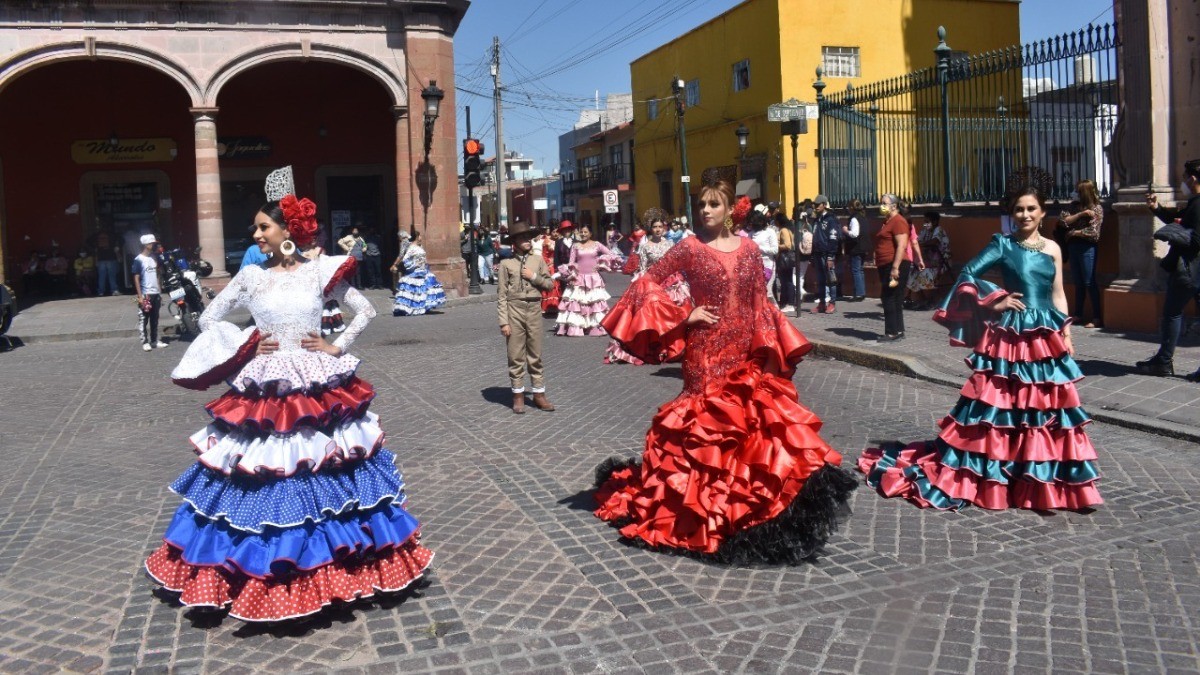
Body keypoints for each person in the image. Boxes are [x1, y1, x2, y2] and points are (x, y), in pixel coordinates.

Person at [147, 188, 432, 623]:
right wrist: (247, 344)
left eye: (264, 227)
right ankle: (265, 569)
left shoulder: (320, 271)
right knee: (267, 467)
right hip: (267, 385)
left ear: (288, 230)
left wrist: (336, 347)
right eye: (256, 228)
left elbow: (365, 311)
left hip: (317, 381)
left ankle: (336, 572)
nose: (256, 234)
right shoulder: (251, 276)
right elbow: (208, 318)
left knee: (324, 467)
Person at [593, 175, 856, 563]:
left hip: (742, 348)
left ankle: (746, 511)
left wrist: (767, 347)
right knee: (705, 425)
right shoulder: (689, 247)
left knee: (749, 424)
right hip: (704, 350)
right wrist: (684, 315)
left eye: (714, 204)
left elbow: (759, 301)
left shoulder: (749, 249)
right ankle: (703, 516)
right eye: (701, 204)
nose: (705, 210)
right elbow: (646, 281)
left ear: (731, 209)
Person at [858, 178, 1103, 511]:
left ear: (1042, 212)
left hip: (1045, 336)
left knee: (1044, 409)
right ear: (1012, 214)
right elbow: (969, 273)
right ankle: (1000, 475)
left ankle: (1039, 479)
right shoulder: (1003, 244)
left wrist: (1066, 333)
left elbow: (1058, 293)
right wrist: (996, 301)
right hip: (1013, 333)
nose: (1025, 215)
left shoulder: (1053, 248)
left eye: (1031, 208)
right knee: (1000, 408)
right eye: (1019, 209)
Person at [1137, 158, 1200, 378]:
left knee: (1172, 313)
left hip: (1189, 269)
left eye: (1184, 177)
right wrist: (1157, 208)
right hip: (1194, 269)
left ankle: (1163, 361)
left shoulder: (1198, 204)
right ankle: (1163, 360)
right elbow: (1178, 220)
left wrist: (1174, 234)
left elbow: (1196, 239)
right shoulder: (1194, 203)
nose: (1183, 182)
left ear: (1193, 179)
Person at [604, 208, 689, 365]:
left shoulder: (670, 244)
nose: (658, 230)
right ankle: (656, 346)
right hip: (653, 283)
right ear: (651, 228)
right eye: (655, 227)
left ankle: (672, 346)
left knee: (675, 312)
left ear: (664, 228)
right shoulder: (645, 247)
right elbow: (643, 268)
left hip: (670, 281)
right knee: (653, 313)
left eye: (660, 227)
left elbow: (675, 263)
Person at [498, 221, 557, 414]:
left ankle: (539, 394)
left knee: (535, 355)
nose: (527, 241)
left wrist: (533, 277)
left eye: (528, 237)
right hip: (514, 310)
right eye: (522, 238)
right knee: (515, 355)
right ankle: (518, 395)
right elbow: (502, 296)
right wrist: (504, 322)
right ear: (514, 242)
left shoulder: (537, 261)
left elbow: (549, 285)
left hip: (534, 309)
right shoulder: (506, 264)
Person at [556, 224, 616, 336]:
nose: (583, 234)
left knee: (594, 303)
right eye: (581, 232)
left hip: (593, 278)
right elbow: (571, 262)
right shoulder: (575, 245)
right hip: (579, 277)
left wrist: (600, 264)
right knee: (578, 303)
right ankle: (578, 327)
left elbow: (611, 254)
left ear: (590, 233)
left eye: (585, 232)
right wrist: (571, 273)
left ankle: (594, 327)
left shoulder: (597, 244)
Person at [1059, 179, 1104, 328]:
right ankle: (1078, 314)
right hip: (1073, 246)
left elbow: (1094, 232)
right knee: (1078, 282)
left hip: (1087, 247)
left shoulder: (1096, 208)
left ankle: (1096, 317)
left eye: (1078, 191)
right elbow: (1063, 221)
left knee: (1089, 282)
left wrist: (1074, 232)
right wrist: (1081, 214)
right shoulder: (1073, 207)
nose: (1075, 193)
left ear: (1084, 193)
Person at [875, 194, 910, 341]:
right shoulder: (888, 221)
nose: (882, 206)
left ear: (894, 206)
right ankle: (899, 330)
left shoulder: (898, 221)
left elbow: (901, 245)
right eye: (881, 203)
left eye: (885, 203)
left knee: (888, 297)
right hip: (886, 264)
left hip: (894, 264)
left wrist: (895, 268)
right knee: (895, 298)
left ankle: (892, 332)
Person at [393, 230, 446, 316]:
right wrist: (415, 265)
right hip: (416, 272)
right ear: (417, 237)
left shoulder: (419, 246)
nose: (421, 238)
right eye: (420, 236)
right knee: (416, 291)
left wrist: (424, 264)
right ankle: (414, 308)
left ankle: (423, 307)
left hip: (424, 271)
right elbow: (405, 260)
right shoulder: (411, 248)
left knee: (424, 291)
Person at [907, 211, 952, 310]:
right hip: (927, 262)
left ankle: (934, 300)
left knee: (925, 274)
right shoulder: (925, 231)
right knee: (911, 274)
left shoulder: (939, 230)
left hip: (940, 263)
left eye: (927, 222)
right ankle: (923, 300)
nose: (925, 224)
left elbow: (934, 241)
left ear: (935, 222)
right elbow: (917, 241)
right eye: (924, 222)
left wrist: (920, 245)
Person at [131, 234, 167, 351]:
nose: (154, 245)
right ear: (146, 245)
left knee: (155, 318)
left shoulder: (154, 258)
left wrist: (159, 291)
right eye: (152, 243)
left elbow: (157, 275)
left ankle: (154, 340)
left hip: (155, 293)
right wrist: (140, 296)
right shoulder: (138, 260)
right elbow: (136, 278)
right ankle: (145, 342)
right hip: (145, 293)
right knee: (144, 319)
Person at [810, 195, 840, 313]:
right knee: (820, 280)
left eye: (818, 205)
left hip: (827, 253)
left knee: (831, 279)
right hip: (817, 253)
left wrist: (831, 256)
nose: (816, 207)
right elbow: (814, 237)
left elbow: (833, 238)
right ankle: (822, 303)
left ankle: (832, 303)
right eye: (815, 205)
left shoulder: (831, 219)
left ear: (824, 205)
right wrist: (812, 254)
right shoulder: (817, 219)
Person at [749, 211, 780, 301]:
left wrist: (758, 248)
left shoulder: (770, 232)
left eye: (754, 221)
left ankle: (775, 309)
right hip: (755, 266)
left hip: (768, 265)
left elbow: (775, 250)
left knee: (768, 293)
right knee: (758, 294)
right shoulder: (751, 233)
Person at [843, 200, 868, 302]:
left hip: (856, 248)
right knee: (860, 270)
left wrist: (846, 230)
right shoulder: (863, 217)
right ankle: (861, 292)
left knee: (856, 270)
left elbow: (854, 234)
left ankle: (859, 293)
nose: (848, 209)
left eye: (849, 207)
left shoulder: (854, 219)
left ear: (852, 207)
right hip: (863, 247)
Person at [536, 227, 562, 316]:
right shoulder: (546, 242)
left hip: (560, 265)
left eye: (557, 232)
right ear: (550, 232)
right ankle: (549, 306)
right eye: (554, 232)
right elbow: (544, 255)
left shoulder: (561, 241)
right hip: (550, 266)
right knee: (552, 284)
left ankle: (559, 306)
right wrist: (548, 263)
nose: (556, 234)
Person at [794, 202, 814, 310]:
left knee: (794, 275)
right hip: (807, 254)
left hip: (798, 254)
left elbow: (795, 241)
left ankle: (799, 292)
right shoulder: (808, 225)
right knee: (801, 275)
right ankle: (800, 295)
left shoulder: (796, 225)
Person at [775, 212, 797, 312]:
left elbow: (787, 245)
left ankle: (790, 303)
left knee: (787, 281)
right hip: (787, 258)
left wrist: (776, 246)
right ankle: (786, 302)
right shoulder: (788, 229)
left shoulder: (783, 230)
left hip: (785, 258)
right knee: (786, 280)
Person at [91, 228, 121, 296]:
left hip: (100, 259)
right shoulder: (112, 236)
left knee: (101, 276)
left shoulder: (97, 237)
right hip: (111, 258)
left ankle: (101, 291)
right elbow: (120, 242)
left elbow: (90, 243)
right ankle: (114, 290)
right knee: (112, 276)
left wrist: (96, 260)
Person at [391, 228, 413, 294]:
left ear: (401, 236)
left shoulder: (404, 242)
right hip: (414, 262)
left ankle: (401, 290)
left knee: (401, 273)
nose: (398, 239)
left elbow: (401, 255)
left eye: (398, 237)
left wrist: (394, 264)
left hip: (407, 263)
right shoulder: (411, 241)